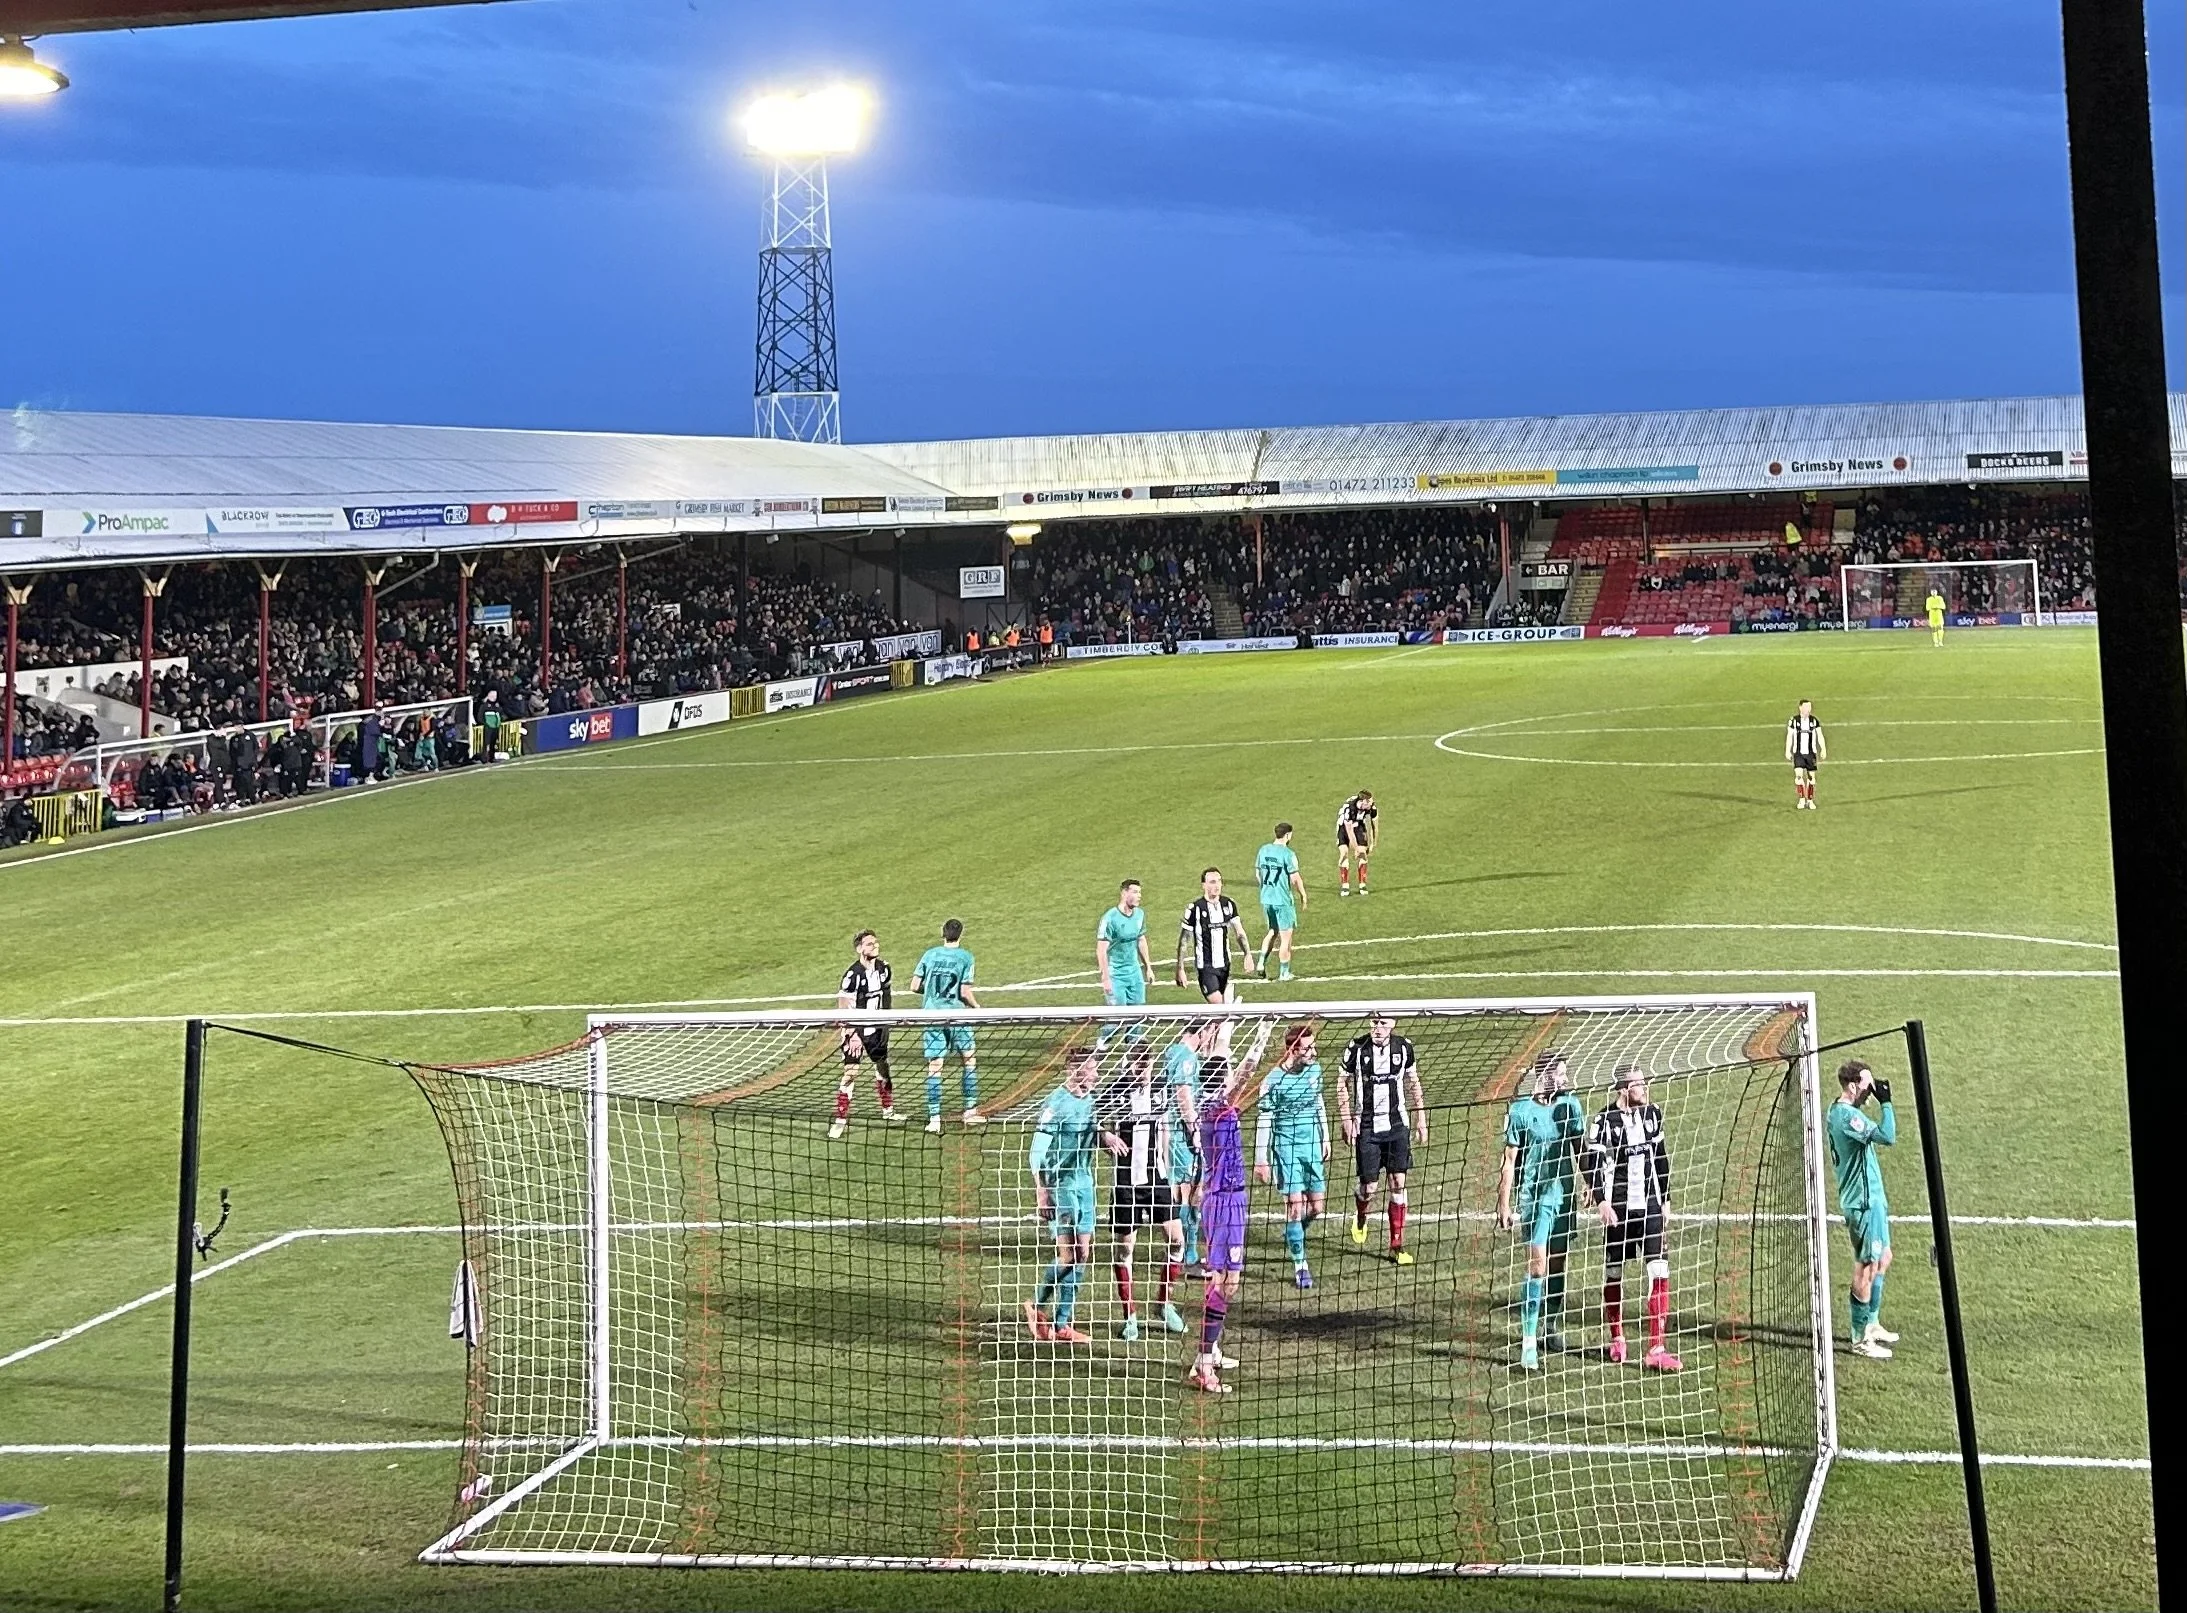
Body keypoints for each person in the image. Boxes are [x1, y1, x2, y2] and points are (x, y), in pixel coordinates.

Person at [1188, 1019, 1274, 1394]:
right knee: (1226, 1283)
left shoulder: (1207, 1110)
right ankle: (1204, 1363)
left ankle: (1208, 1354)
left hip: (1222, 1199)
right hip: (1226, 1203)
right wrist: (1263, 1036)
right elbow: (1247, 1071)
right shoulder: (1220, 1111)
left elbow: (1231, 1069)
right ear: (1219, 1082)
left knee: (1226, 1281)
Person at [1583, 1063, 1681, 1372]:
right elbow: (1592, 1163)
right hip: (1619, 1209)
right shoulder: (1603, 1120)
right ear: (1624, 1089)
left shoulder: (1653, 1114)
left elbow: (1661, 1157)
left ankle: (1656, 1348)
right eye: (1639, 1084)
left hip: (1650, 1205)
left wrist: (1665, 1199)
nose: (1645, 1088)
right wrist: (1601, 1202)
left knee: (1660, 1271)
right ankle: (1618, 1338)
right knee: (1614, 1274)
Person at [1025, 1048, 1123, 1344]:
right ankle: (1036, 1305)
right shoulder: (1056, 1104)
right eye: (1092, 1069)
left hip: (1085, 1185)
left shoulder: (1091, 1099)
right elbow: (1035, 1153)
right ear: (1075, 1070)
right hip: (1061, 1187)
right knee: (1068, 1257)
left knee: (1083, 1255)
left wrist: (1105, 1135)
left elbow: (1094, 1124)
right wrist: (1042, 1192)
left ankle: (1062, 1323)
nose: (1097, 1074)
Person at [1497, 1048, 1586, 1372]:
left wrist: (1592, 1187)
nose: (1565, 1078)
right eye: (1560, 1073)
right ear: (1543, 1074)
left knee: (1558, 1264)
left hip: (1563, 1195)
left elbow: (1581, 1151)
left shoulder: (1571, 1105)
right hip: (1534, 1199)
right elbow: (1509, 1160)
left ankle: (1551, 1325)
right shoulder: (1520, 1111)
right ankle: (1529, 1342)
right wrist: (1504, 1202)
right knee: (1537, 1266)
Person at [1108, 1040, 1189, 1340]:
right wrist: (1106, 1137)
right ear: (1129, 1064)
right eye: (1138, 1065)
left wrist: (1169, 1172)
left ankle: (1164, 1304)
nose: (1142, 1070)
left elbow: (1165, 1129)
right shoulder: (1116, 1091)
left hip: (1157, 1180)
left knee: (1177, 1240)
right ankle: (1130, 1316)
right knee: (1125, 1248)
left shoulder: (1159, 1089)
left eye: (1146, 1065)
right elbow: (1097, 1122)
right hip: (1126, 1183)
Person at [1340, 1013, 1426, 1266]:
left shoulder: (1404, 1047)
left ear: (1393, 1024)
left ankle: (1396, 1246)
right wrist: (1347, 1119)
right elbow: (1340, 1083)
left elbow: (1413, 1081)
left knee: (1398, 1182)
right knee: (1369, 1188)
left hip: (1398, 1125)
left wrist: (1421, 1118)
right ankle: (1361, 1214)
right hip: (1367, 1127)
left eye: (1383, 1023)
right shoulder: (1356, 1048)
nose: (1378, 1028)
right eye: (1374, 1023)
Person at [1828, 1059, 1899, 1359]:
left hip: (1874, 1199)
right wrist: (1887, 1104)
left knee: (1883, 1257)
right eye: (1867, 1087)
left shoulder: (1842, 1111)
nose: (1869, 1093)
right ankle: (1859, 1339)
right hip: (1862, 1202)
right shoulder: (1847, 1117)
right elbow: (1888, 1136)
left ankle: (1872, 1323)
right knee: (1866, 1265)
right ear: (1853, 1084)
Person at [1254, 1024, 1329, 1290]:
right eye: (1308, 1048)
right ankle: (1301, 1266)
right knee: (1294, 1207)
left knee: (1317, 1208)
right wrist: (1260, 1158)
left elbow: (1318, 1102)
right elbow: (1264, 1120)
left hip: (1311, 1145)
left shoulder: (1314, 1070)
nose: (1313, 1053)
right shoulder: (1273, 1081)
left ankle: (1293, 1232)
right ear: (1291, 1050)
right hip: (1286, 1149)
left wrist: (1325, 1136)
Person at [912, 918, 985, 1133]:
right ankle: (969, 1112)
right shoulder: (966, 957)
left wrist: (930, 993)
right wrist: (977, 1007)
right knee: (969, 1061)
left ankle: (934, 1119)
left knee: (934, 1068)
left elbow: (914, 985)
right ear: (961, 934)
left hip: (932, 1017)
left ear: (942, 933)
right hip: (957, 1017)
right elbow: (963, 992)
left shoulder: (930, 954)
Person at [831, 929, 902, 1139]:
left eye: (876, 943)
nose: (875, 946)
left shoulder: (884, 969)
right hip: (855, 1031)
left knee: (883, 1067)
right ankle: (840, 1120)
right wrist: (851, 1033)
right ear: (859, 949)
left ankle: (888, 1111)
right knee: (850, 1073)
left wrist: (887, 1021)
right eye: (870, 944)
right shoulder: (852, 975)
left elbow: (886, 994)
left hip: (877, 1029)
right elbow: (843, 1005)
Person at [1163, 1021, 1214, 1271]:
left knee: (1189, 1191)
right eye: (1209, 1033)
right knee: (1190, 1192)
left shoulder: (1171, 1051)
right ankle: (1187, 1253)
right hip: (1181, 1134)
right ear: (1201, 1031)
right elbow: (1183, 1094)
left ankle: (1185, 1251)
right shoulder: (1187, 1058)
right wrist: (1194, 1129)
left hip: (1172, 1133)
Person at [1176, 867, 1252, 1002]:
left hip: (1225, 965)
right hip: (1206, 967)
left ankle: (1207, 1023)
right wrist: (1180, 968)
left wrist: (1248, 954)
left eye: (1219, 881)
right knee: (1219, 1007)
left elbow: (1239, 933)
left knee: (1220, 1013)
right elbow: (1184, 941)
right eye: (1212, 882)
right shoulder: (1195, 909)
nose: (1217, 885)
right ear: (1203, 885)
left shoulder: (1228, 904)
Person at [1096, 879, 1155, 1045]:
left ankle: (1132, 1055)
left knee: (1137, 1016)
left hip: (1134, 972)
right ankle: (1102, 1044)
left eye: (1140, 892)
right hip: (1116, 974)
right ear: (1124, 893)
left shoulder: (1139, 914)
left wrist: (1148, 968)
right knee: (1117, 1018)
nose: (1139, 896)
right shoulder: (1110, 919)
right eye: (1135, 892)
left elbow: (1141, 940)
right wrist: (1105, 978)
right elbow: (1101, 950)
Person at [1252, 823, 1307, 983]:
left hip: (1266, 898)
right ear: (1288, 835)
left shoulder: (1263, 850)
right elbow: (1295, 878)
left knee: (1272, 931)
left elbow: (1258, 873)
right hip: (1282, 900)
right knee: (1286, 938)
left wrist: (1266, 888)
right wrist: (1302, 894)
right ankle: (1284, 973)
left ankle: (1261, 964)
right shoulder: (1288, 854)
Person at [1335, 789, 1378, 897]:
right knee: (1344, 853)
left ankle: (1362, 884)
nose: (1371, 804)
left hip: (1358, 825)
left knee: (1363, 853)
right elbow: (1349, 832)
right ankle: (1345, 885)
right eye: (1369, 802)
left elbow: (1375, 826)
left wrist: (1373, 843)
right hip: (1344, 827)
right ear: (1363, 801)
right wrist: (1355, 849)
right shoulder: (1350, 809)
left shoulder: (1371, 807)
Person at [1785, 699, 1826, 812]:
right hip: (1798, 753)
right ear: (1800, 708)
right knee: (1798, 775)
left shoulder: (1814, 721)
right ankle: (1802, 799)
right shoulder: (1794, 721)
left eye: (1810, 707)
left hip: (1810, 753)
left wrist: (1823, 749)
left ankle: (1810, 800)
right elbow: (1789, 736)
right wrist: (1787, 750)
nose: (1809, 709)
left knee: (1811, 777)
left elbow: (1820, 736)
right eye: (1807, 707)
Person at [227, 724, 259, 806]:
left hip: (249, 764)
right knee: (240, 783)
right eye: (235, 727)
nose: (236, 729)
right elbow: (232, 753)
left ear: (241, 726)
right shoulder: (233, 739)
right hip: (239, 765)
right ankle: (242, 799)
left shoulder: (250, 735)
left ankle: (253, 799)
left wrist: (253, 761)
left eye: (237, 727)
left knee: (250, 782)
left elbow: (256, 748)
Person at [479, 690, 503, 764]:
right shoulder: (484, 706)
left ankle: (491, 757)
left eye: (495, 696)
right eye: (493, 696)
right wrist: (485, 724)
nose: (494, 697)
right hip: (488, 727)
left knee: (493, 743)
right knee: (486, 743)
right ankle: (484, 758)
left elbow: (500, 713)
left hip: (496, 727)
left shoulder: (497, 705)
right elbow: (480, 716)